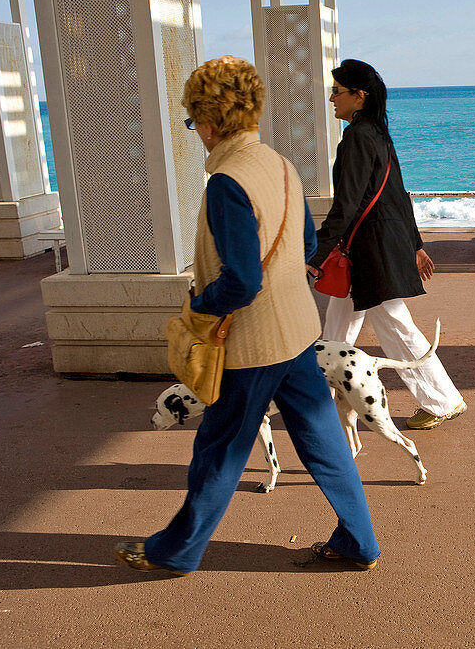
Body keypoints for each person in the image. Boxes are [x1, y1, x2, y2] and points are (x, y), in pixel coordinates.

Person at [114, 56, 380, 576]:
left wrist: (198, 306)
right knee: (323, 441)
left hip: (252, 345)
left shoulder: (226, 184)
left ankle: (175, 552)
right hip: (298, 331)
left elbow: (241, 281)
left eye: (193, 123)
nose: (196, 133)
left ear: (209, 122)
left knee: (219, 449)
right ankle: (360, 542)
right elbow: (304, 243)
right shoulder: (279, 165)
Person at [307, 59, 466, 432]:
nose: (331, 98)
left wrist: (313, 256)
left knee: (394, 326)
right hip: (372, 248)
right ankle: (317, 402)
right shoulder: (377, 133)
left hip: (369, 252)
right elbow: (397, 194)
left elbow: (347, 204)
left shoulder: (359, 138)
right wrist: (415, 243)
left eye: (337, 91)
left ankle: (442, 400)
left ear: (358, 96)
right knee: (337, 330)